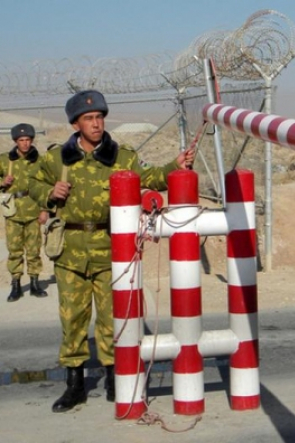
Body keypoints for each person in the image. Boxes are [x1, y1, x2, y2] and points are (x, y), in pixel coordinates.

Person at [29, 89, 195, 413]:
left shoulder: (123, 157)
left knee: (111, 319)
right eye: (89, 118)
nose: (96, 123)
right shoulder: (56, 158)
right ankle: (74, 386)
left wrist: (173, 167)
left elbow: (150, 177)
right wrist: (50, 191)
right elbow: (33, 184)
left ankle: (113, 380)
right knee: (73, 319)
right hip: (71, 253)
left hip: (111, 250)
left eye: (100, 117)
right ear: (76, 124)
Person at [0, 123, 49, 302]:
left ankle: (35, 283)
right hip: (13, 211)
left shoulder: (40, 161)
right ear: (15, 141)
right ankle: (16, 285)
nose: (25, 143)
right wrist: (3, 183)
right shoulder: (5, 160)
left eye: (28, 140)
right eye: (21, 140)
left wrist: (45, 210)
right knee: (14, 250)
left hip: (34, 209)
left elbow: (46, 186)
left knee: (34, 250)